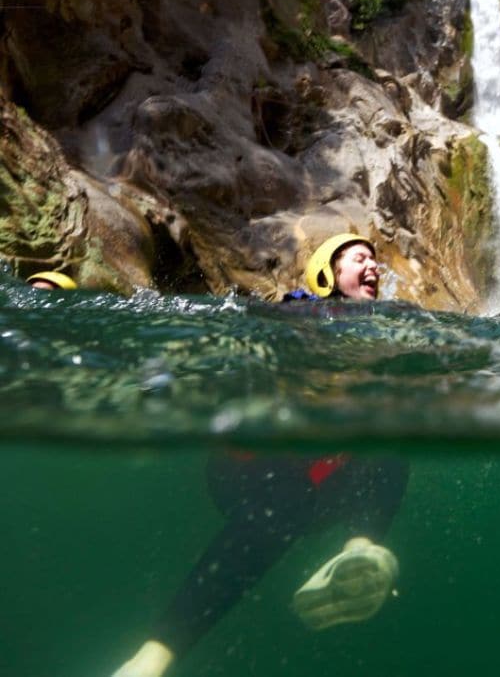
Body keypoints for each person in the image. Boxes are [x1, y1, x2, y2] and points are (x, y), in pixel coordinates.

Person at [111, 234, 407, 677]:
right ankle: (153, 658)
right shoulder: (297, 312)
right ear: (327, 272)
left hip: (326, 485)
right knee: (287, 501)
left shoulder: (384, 333)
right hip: (253, 473)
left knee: (393, 439)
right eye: (360, 258)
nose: (373, 268)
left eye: (375, 261)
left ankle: (360, 551)